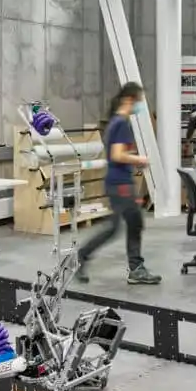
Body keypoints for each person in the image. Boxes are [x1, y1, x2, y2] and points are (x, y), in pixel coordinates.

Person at [76, 81, 161, 286]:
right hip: (121, 184)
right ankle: (131, 268)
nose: (139, 107)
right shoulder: (121, 123)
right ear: (129, 100)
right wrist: (138, 159)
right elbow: (117, 155)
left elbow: (118, 153)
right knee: (125, 225)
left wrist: (131, 158)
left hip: (118, 181)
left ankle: (87, 256)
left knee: (129, 224)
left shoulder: (115, 121)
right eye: (139, 102)